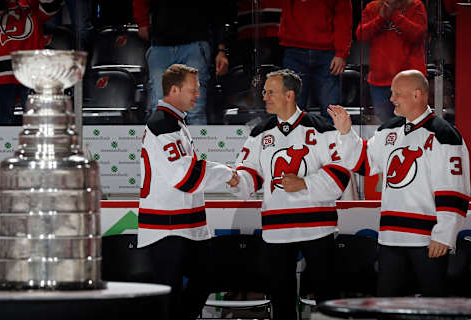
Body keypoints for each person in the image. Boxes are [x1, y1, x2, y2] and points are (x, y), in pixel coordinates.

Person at [328, 70, 470, 297]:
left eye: (396, 93)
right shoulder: (388, 130)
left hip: (428, 240)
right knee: (388, 306)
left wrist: (443, 235)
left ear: (417, 95)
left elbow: (454, 190)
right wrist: (346, 133)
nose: (391, 98)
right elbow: (364, 164)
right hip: (390, 238)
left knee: (433, 308)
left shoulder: (444, 135)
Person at [231, 69, 350, 319]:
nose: (264, 97)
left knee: (328, 299)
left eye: (270, 92)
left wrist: (305, 183)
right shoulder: (259, 133)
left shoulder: (321, 129)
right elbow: (248, 174)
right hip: (276, 232)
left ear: (289, 94)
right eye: (264, 92)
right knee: (281, 302)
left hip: (319, 229)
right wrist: (236, 180)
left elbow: (340, 176)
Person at [138, 64, 238, 320]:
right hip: (166, 230)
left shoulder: (175, 123)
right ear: (174, 89)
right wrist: (227, 173)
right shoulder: (163, 124)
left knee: (207, 276)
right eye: (193, 90)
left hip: (185, 227)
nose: (198, 94)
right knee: (170, 300)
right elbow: (185, 177)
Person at [132, 0, 230, 125]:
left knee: (194, 109)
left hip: (194, 41)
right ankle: (163, 144)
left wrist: (221, 49)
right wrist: (142, 22)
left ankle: (191, 144)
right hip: (163, 42)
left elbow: (218, 9)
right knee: (160, 107)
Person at [0, 0, 63, 125]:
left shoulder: (32, 3)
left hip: (31, 70)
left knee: (35, 124)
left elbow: (49, 9)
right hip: (0, 72)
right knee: (0, 127)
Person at [279, 0, 352, 121]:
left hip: (326, 52)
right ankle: (292, 139)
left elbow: (344, 16)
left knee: (330, 109)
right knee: (291, 109)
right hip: (295, 48)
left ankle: (330, 139)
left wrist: (341, 53)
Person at [356, 0, 427, 123]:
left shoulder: (415, 6)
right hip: (380, 81)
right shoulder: (372, 7)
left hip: (410, 83)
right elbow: (361, 35)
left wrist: (394, 15)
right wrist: (381, 19)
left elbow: (418, 34)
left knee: (413, 126)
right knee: (387, 131)